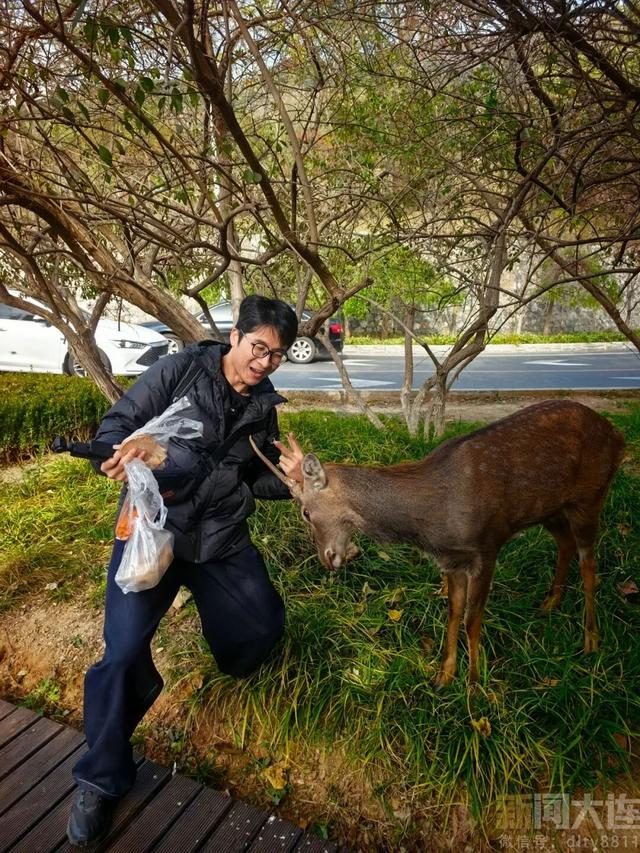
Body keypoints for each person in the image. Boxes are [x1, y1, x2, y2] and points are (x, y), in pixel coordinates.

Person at [67, 295, 305, 847]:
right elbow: (119, 424)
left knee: (261, 627)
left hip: (219, 538)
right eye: (258, 348)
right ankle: (101, 778)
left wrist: (296, 478)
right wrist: (120, 451)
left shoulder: (261, 405)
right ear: (236, 337)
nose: (264, 363)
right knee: (122, 653)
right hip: (157, 534)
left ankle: (228, 657)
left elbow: (253, 477)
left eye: (277, 355)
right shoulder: (179, 370)